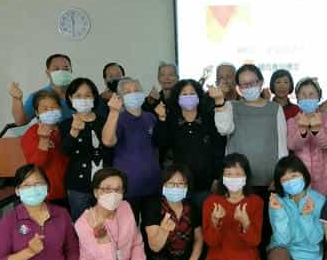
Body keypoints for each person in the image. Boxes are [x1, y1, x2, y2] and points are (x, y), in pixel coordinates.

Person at [211, 64, 287, 247]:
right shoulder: (231, 106)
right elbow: (223, 129)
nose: (249, 87)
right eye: (244, 84)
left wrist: (279, 176)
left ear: (260, 82)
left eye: (252, 82)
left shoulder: (275, 109)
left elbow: (282, 145)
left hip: (268, 181)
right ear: (238, 88)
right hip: (238, 181)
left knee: (264, 228)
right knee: (238, 227)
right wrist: (220, 102)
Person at [203, 153, 263, 260]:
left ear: (246, 176)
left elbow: (255, 241)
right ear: (222, 177)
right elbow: (210, 242)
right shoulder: (211, 202)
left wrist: (245, 223)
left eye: (238, 174)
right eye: (228, 174)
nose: (233, 178)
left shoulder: (256, 201)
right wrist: (215, 222)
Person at [265, 155, 325, 260]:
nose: (290, 182)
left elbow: (316, 239)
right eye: (284, 179)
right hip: (283, 250)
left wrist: (306, 217)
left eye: (294, 175)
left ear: (304, 175)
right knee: (278, 254)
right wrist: (278, 212)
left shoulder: (319, 200)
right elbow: (282, 240)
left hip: (308, 256)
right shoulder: (277, 200)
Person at [153, 79, 225, 212]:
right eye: (184, 94)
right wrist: (162, 119)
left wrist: (217, 177)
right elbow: (160, 143)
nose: (188, 97)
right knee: (183, 221)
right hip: (179, 185)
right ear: (177, 98)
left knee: (205, 218)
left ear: (199, 96)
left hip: (206, 183)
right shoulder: (171, 119)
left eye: (192, 93)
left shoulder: (209, 118)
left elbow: (219, 149)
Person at [102, 77, 161, 224]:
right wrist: (113, 112)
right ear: (120, 97)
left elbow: (159, 146)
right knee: (128, 230)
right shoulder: (118, 118)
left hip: (153, 185)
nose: (133, 94)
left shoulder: (151, 117)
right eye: (127, 92)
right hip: (128, 187)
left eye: (137, 90)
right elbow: (108, 141)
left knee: (152, 229)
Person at [59, 78, 109, 220]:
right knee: (81, 224)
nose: (83, 99)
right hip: (78, 185)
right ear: (70, 98)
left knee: (107, 223)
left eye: (88, 95)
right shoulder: (66, 124)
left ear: (94, 97)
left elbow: (111, 149)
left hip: (105, 183)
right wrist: (74, 131)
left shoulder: (104, 121)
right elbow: (64, 151)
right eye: (78, 96)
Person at [287, 77, 327, 196]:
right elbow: (292, 145)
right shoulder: (292, 121)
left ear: (318, 97)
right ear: (297, 98)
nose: (307, 98)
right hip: (301, 176)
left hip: (326, 179)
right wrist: (302, 131)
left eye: (311, 94)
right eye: (303, 95)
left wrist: (316, 130)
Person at [21, 90, 69, 204]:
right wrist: (44, 141)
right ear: (37, 112)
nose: (50, 111)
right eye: (45, 108)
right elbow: (35, 166)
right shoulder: (32, 133)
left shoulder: (67, 129)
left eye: (54, 107)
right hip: (48, 195)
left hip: (71, 191)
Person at [8, 53, 74, 126]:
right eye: (56, 69)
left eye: (66, 69)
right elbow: (20, 122)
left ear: (71, 71)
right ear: (48, 73)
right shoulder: (38, 96)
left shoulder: (80, 94)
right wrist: (16, 99)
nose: (62, 72)